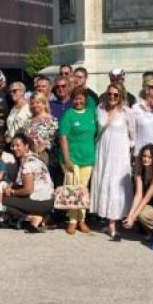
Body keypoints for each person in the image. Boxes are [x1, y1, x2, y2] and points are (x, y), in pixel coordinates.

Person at [90, 84, 136, 241]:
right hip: (103, 152)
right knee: (104, 183)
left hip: (119, 155)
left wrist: (130, 153)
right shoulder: (100, 109)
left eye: (116, 95)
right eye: (109, 94)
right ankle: (107, 219)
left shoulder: (127, 112)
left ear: (121, 96)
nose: (112, 97)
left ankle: (113, 224)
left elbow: (133, 135)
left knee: (116, 186)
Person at [59, 87, 97, 234]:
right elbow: (63, 138)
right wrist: (67, 159)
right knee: (72, 189)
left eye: (81, 98)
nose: (78, 101)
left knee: (83, 189)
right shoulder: (68, 114)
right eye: (75, 98)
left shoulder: (91, 113)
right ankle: (72, 221)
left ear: (85, 99)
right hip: (72, 158)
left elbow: (97, 133)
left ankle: (82, 220)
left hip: (88, 158)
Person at [2, 133, 55, 231]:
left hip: (41, 202)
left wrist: (12, 192)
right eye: (13, 146)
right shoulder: (36, 158)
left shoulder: (28, 163)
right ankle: (44, 216)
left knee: (1, 201)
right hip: (49, 200)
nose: (14, 148)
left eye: (18, 145)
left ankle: (32, 218)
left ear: (26, 146)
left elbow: (28, 190)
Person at [123, 144, 153, 240]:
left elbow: (147, 197)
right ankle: (152, 232)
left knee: (142, 213)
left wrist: (134, 217)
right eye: (144, 156)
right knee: (136, 209)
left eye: (150, 157)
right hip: (150, 206)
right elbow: (138, 195)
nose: (146, 159)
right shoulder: (140, 170)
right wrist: (130, 216)